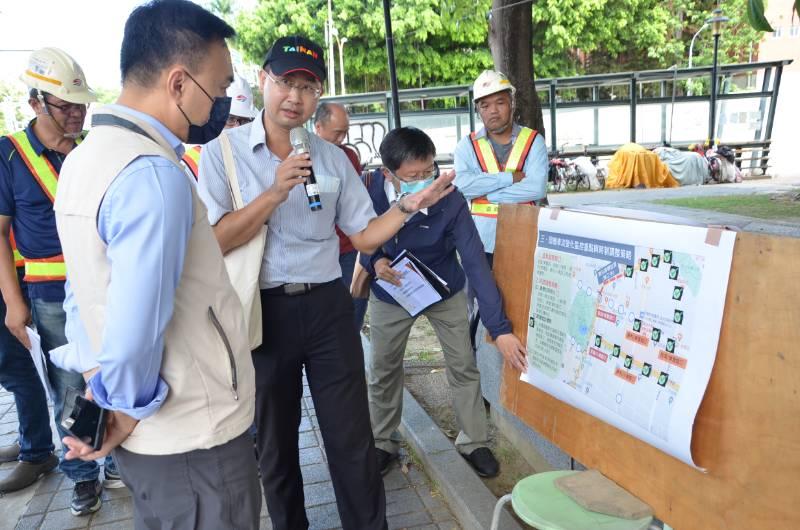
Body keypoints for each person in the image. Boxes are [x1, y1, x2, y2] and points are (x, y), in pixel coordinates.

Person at [197, 35, 454, 530]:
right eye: (286, 82)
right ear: (265, 81)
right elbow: (215, 240)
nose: (294, 96)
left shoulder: (334, 159)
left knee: (351, 437)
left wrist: (405, 207)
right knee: (275, 441)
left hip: (328, 309)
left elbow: (362, 235)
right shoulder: (221, 154)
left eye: (308, 86)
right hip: (262, 313)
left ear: (318, 97)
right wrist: (274, 192)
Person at [52, 2, 260, 528]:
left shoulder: (84, 159)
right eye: (218, 87)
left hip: (156, 444)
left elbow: (81, 291)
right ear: (179, 83)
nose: (221, 103)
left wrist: (105, 392)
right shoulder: (151, 174)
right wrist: (124, 407)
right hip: (195, 434)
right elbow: (134, 326)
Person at [359, 127, 528, 477]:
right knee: (383, 369)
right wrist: (374, 262)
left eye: (429, 172)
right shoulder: (370, 191)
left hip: (443, 288)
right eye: (413, 177)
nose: (425, 183)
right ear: (389, 174)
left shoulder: (450, 200)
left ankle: (474, 441)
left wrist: (500, 329)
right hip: (392, 289)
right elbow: (359, 238)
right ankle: (382, 441)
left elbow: (476, 264)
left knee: (463, 364)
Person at [0, 46, 122, 513]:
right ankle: (81, 472)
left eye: (80, 105)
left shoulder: (92, 151)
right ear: (35, 102)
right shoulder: (10, 156)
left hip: (99, 284)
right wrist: (14, 302)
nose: (76, 113)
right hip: (48, 292)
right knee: (69, 385)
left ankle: (111, 455)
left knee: (108, 375)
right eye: (65, 105)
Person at [453, 70, 548, 344]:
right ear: (478, 110)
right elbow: (463, 186)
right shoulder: (467, 146)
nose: (492, 111)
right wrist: (508, 178)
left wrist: (489, 194)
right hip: (479, 242)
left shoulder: (533, 141)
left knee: (520, 307)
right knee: (475, 310)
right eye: (485, 105)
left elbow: (537, 187)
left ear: (512, 103)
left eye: (499, 102)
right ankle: (473, 369)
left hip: (523, 238)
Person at [314, 101, 367, 331]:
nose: (342, 139)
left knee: (353, 306)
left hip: (349, 248)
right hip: (320, 249)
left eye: (345, 132)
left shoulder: (349, 156)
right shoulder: (302, 157)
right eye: (337, 133)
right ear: (318, 127)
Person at [181, 72, 257, 179]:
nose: (237, 127)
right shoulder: (191, 163)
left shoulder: (254, 158)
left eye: (244, 121)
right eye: (230, 119)